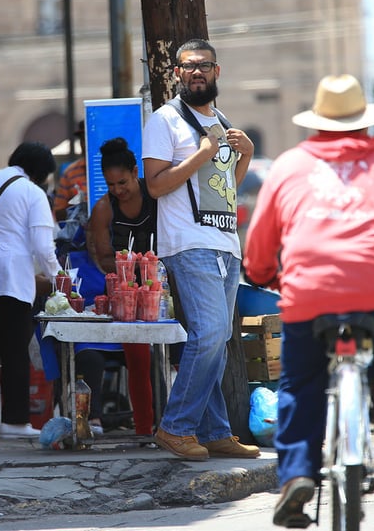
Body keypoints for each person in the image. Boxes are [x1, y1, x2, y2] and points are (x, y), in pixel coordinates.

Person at [242, 74, 374, 528]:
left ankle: (294, 477)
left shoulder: (288, 166)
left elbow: (260, 242)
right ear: (365, 124)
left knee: (299, 383)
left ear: (316, 124)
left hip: (308, 298)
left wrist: (262, 274)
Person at [142, 38, 259, 461]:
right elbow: (155, 185)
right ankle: (176, 427)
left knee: (217, 338)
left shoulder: (221, 119)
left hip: (225, 243)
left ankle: (214, 430)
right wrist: (203, 153)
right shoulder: (165, 121)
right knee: (208, 335)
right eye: (188, 67)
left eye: (204, 66)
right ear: (177, 73)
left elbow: (225, 187)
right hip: (188, 243)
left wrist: (242, 156)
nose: (196, 72)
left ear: (216, 71)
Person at [0, 141, 60, 439]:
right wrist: (59, 278)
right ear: (41, 174)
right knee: (14, 353)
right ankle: (14, 421)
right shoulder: (33, 193)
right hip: (13, 280)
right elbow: (43, 247)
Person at [84, 137, 157, 436]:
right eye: (111, 185)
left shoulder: (156, 195)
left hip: (162, 289)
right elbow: (102, 257)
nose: (118, 190)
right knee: (140, 361)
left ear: (135, 170)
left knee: (182, 354)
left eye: (123, 182)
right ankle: (144, 429)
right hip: (127, 298)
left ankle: (179, 425)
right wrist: (133, 269)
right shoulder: (104, 208)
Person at [53, 120, 87, 221]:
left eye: (88, 139)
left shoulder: (110, 169)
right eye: (82, 140)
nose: (84, 145)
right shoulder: (70, 172)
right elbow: (59, 211)